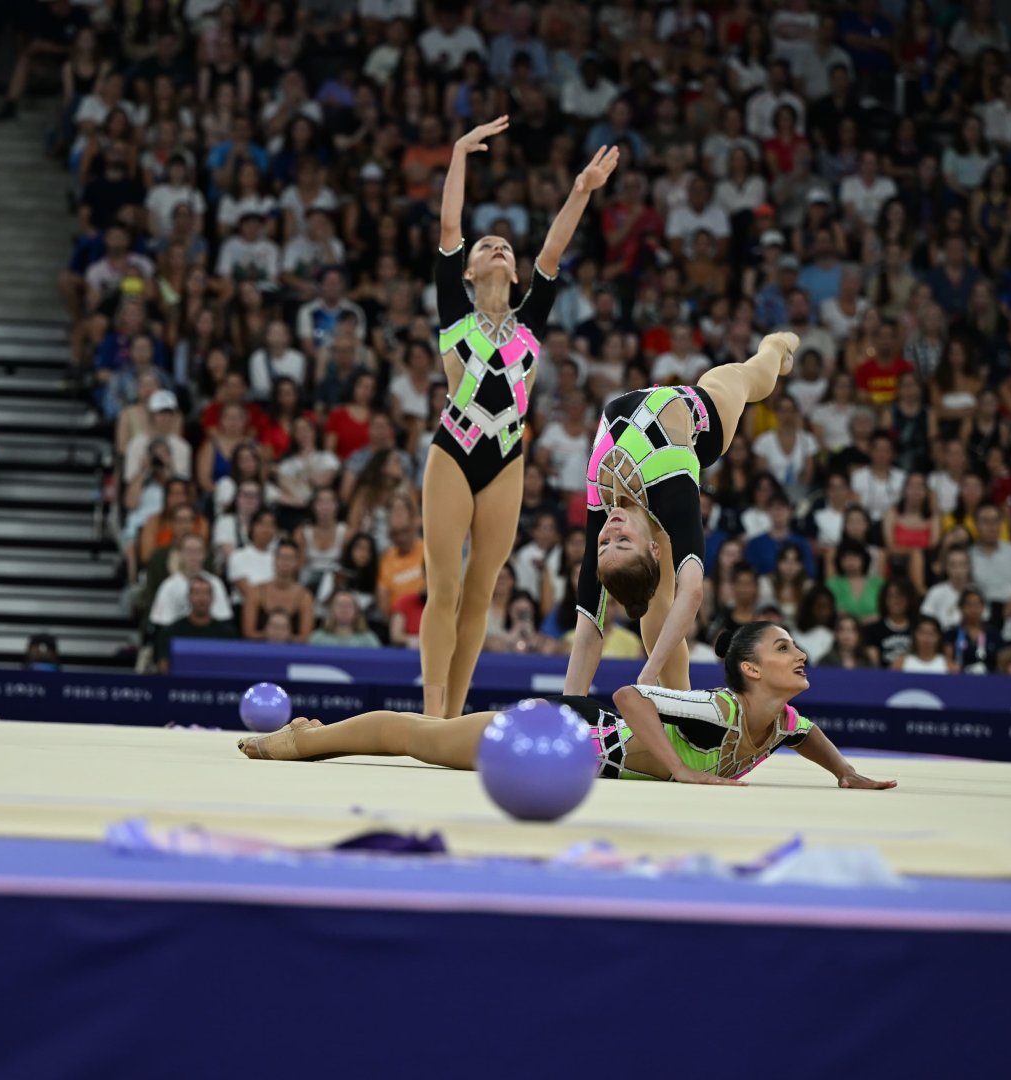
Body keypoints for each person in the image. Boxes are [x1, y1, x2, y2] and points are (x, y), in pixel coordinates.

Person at [420, 118, 618, 718]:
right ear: (470, 271)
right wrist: (457, 153)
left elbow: (552, 252)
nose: (498, 246)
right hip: (453, 452)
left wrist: (581, 190)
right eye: (486, 248)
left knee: (481, 592)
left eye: (505, 244)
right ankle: (430, 714)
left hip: (506, 459)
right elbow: (450, 226)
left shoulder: (531, 323)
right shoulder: (454, 310)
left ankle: (452, 718)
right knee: (445, 586)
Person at [242, 621, 896, 790]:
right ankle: (299, 741)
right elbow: (629, 694)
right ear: (752, 670)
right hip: (561, 734)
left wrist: (843, 772)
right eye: (786, 648)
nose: (800, 654)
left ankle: (315, 731)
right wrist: (682, 769)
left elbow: (805, 734)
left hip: (579, 754)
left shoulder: (779, 722)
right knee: (421, 737)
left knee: (430, 734)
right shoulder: (720, 711)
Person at [565, 331, 800, 700]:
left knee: (760, 371)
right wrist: (649, 674)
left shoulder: (603, 506)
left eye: (606, 544)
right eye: (622, 541)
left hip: (653, 431)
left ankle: (776, 345)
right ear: (654, 550)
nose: (611, 529)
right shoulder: (673, 491)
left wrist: (571, 707)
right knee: (749, 378)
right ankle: (684, 708)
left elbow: (587, 627)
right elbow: (691, 592)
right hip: (707, 417)